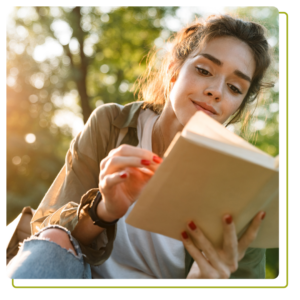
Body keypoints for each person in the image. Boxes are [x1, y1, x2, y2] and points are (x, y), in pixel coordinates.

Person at [7, 14, 274, 280]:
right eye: (204, 70)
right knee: (56, 236)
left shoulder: (242, 188)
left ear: (238, 105)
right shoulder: (112, 124)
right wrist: (104, 211)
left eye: (234, 88)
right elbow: (46, 232)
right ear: (173, 69)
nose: (216, 91)